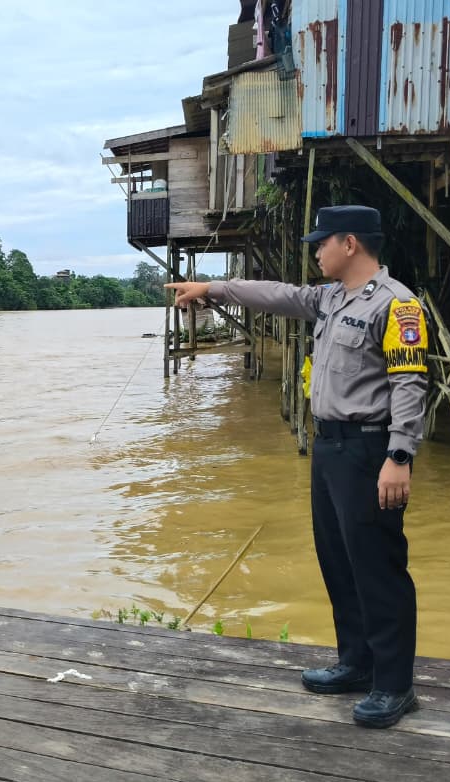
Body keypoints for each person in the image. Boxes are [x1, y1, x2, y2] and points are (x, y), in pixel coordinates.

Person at [167, 205, 429, 728]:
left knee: (378, 566)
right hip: (329, 447)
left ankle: (395, 685)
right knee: (338, 560)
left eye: (322, 241)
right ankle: (355, 663)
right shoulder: (331, 298)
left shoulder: (396, 305)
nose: (316, 250)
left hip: (370, 450)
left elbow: (410, 383)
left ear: (349, 243)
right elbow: (278, 295)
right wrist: (212, 289)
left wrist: (400, 456)